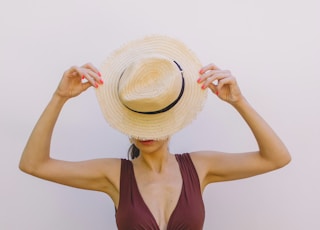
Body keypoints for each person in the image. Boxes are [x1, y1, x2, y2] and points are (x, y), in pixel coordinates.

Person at [19, 35, 291, 230]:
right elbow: (34, 165)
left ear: (172, 120)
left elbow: (277, 158)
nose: (145, 133)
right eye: (138, 123)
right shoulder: (114, 175)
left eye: (155, 122)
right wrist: (59, 97)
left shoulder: (200, 167)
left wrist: (238, 101)